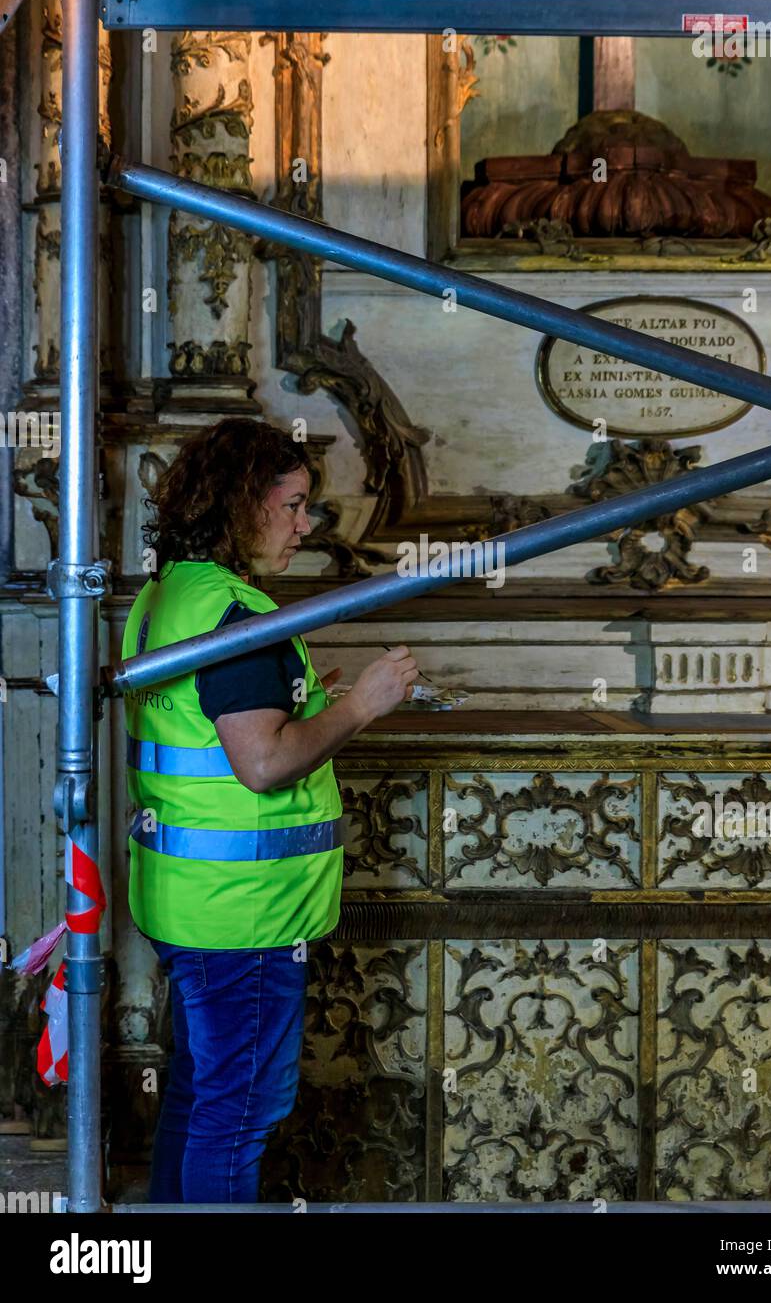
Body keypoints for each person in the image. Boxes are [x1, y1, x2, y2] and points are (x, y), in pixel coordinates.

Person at [121, 416, 419, 1204]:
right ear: (239, 504)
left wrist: (293, 692)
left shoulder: (170, 593)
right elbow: (265, 763)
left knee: (200, 1095)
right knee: (240, 1112)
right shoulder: (239, 616)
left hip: (187, 897)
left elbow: (210, 726)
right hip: (244, 916)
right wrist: (362, 705)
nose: (304, 525)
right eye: (290, 505)